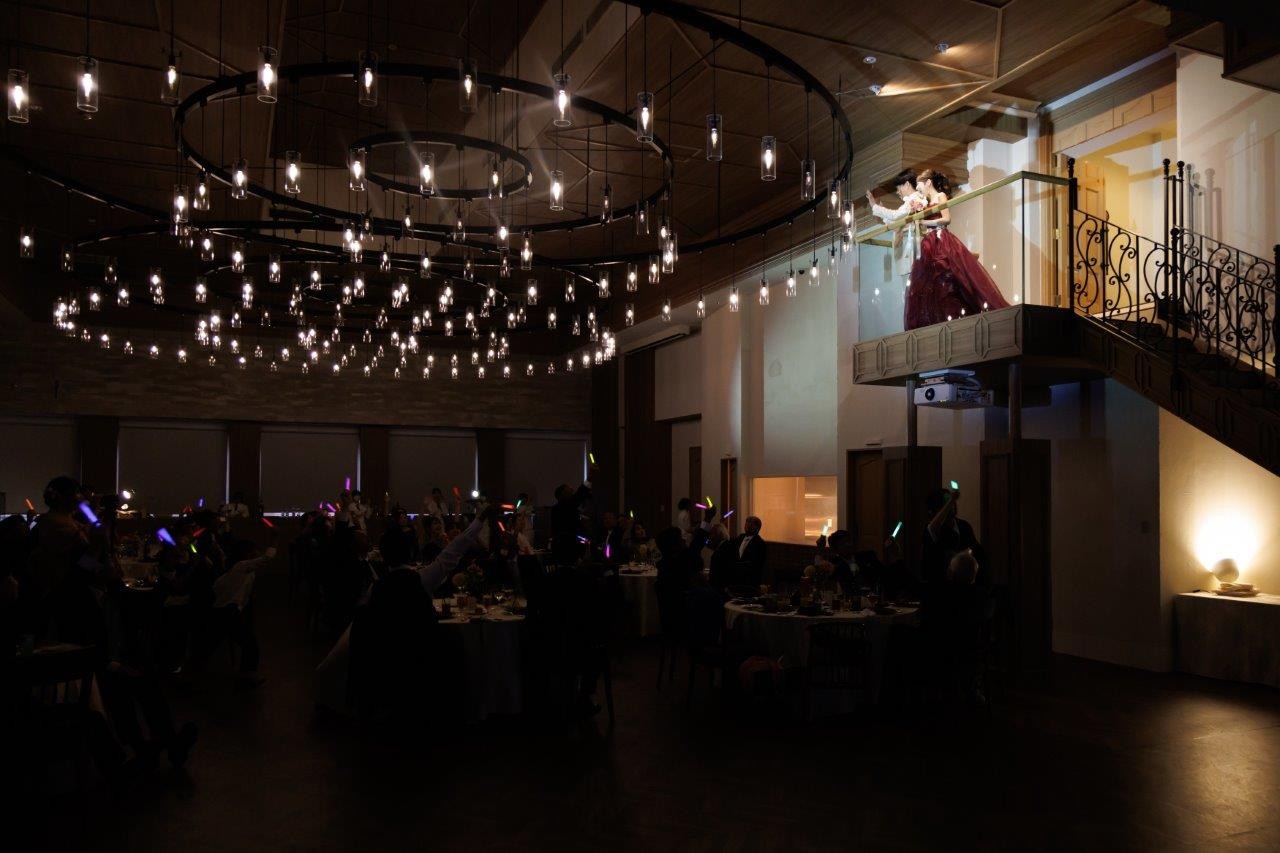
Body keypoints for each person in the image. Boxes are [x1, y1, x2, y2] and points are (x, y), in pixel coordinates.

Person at [904, 169, 1010, 330]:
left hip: (941, 238)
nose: (919, 191)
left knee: (947, 276)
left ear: (928, 183)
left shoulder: (940, 196)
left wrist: (924, 222)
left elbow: (947, 219)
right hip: (928, 242)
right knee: (928, 283)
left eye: (920, 187)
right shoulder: (924, 202)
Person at [866, 168, 926, 283]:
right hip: (908, 246)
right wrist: (880, 211)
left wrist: (875, 206)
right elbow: (895, 222)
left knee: (914, 283)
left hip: (912, 245)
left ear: (907, 184)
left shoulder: (915, 198)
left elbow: (895, 215)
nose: (898, 192)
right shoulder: (910, 201)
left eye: (899, 188)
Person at [922, 485, 983, 591]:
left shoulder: (963, 526)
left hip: (965, 587)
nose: (953, 504)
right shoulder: (933, 529)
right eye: (947, 501)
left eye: (952, 500)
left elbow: (975, 548)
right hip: (941, 588)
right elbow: (933, 528)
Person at [550, 477, 592, 566]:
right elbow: (580, 493)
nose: (572, 490)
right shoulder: (566, 505)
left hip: (560, 546)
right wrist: (589, 478)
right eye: (569, 489)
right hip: (567, 547)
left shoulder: (556, 509)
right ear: (563, 494)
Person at [727, 516, 767, 589]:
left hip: (749, 580)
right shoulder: (740, 537)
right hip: (735, 578)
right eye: (747, 522)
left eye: (751, 523)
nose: (748, 525)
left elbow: (757, 563)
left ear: (757, 528)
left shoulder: (760, 543)